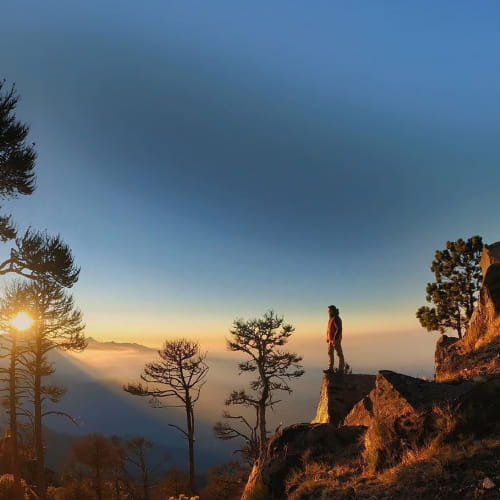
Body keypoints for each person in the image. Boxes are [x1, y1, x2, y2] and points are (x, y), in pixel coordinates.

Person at [326, 305, 345, 373]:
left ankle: (341, 369)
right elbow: (329, 330)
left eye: (329, 310)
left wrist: (335, 339)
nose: (328, 312)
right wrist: (328, 339)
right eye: (328, 311)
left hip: (335, 340)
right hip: (330, 340)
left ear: (333, 311)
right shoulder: (331, 318)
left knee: (339, 354)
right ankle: (330, 368)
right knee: (330, 353)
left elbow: (339, 329)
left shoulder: (336, 318)